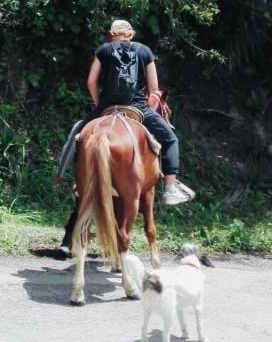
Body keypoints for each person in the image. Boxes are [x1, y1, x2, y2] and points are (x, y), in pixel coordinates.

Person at [54, 19, 194, 206]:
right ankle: (170, 188)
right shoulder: (144, 51)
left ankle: (76, 181)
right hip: (137, 108)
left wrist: (99, 105)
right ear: (131, 35)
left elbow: (91, 83)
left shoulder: (103, 49)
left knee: (78, 135)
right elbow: (154, 89)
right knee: (170, 139)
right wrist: (149, 111)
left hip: (107, 107)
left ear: (112, 35)